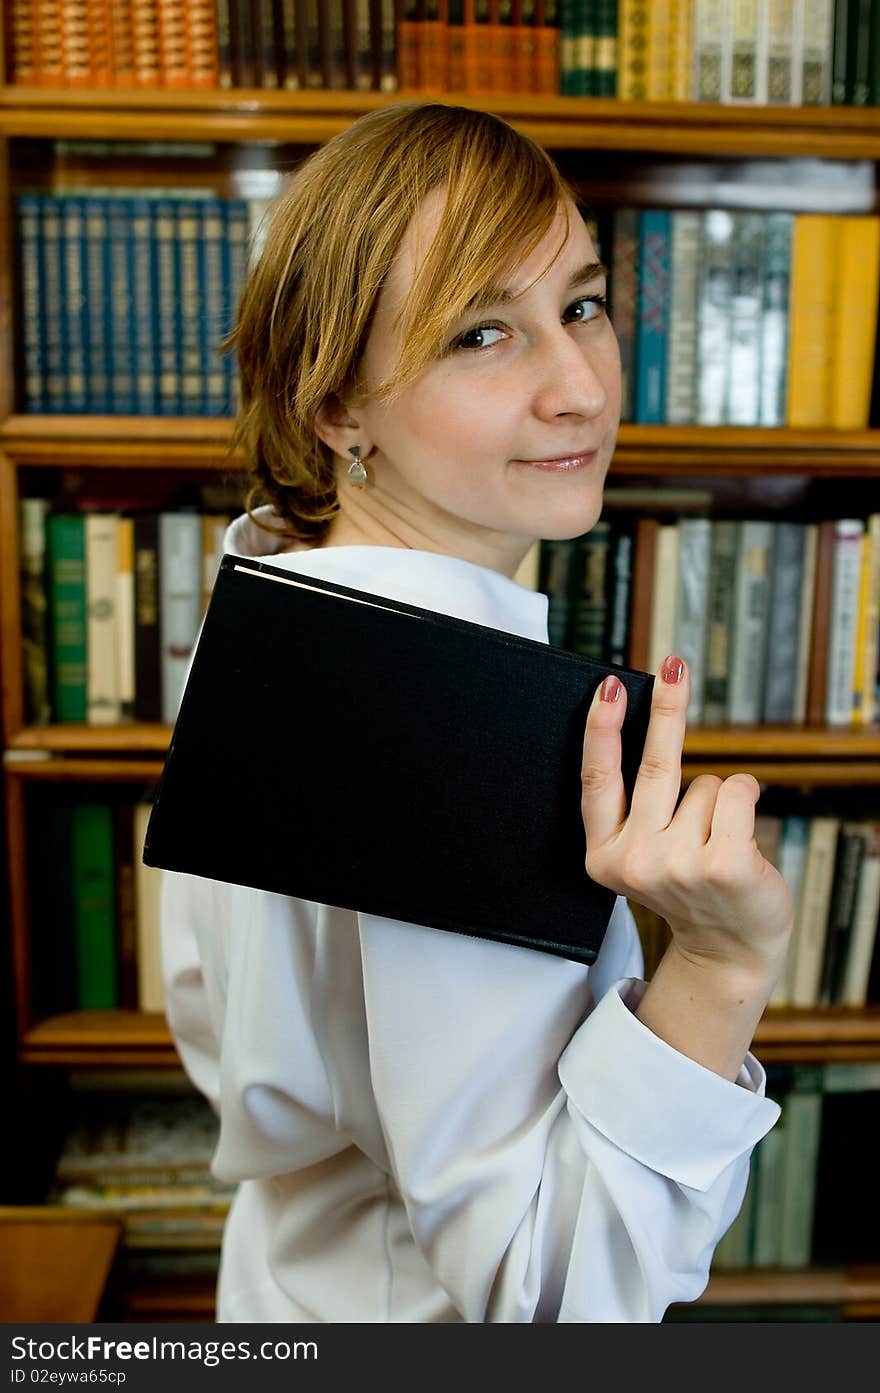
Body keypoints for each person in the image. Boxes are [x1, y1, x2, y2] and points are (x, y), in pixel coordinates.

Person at [161, 101, 794, 1323]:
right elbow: (554, 1295)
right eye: (480, 333)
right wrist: (719, 966)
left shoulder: (272, 605)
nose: (580, 387)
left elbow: (223, 1032)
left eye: (582, 305)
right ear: (334, 408)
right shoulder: (445, 714)